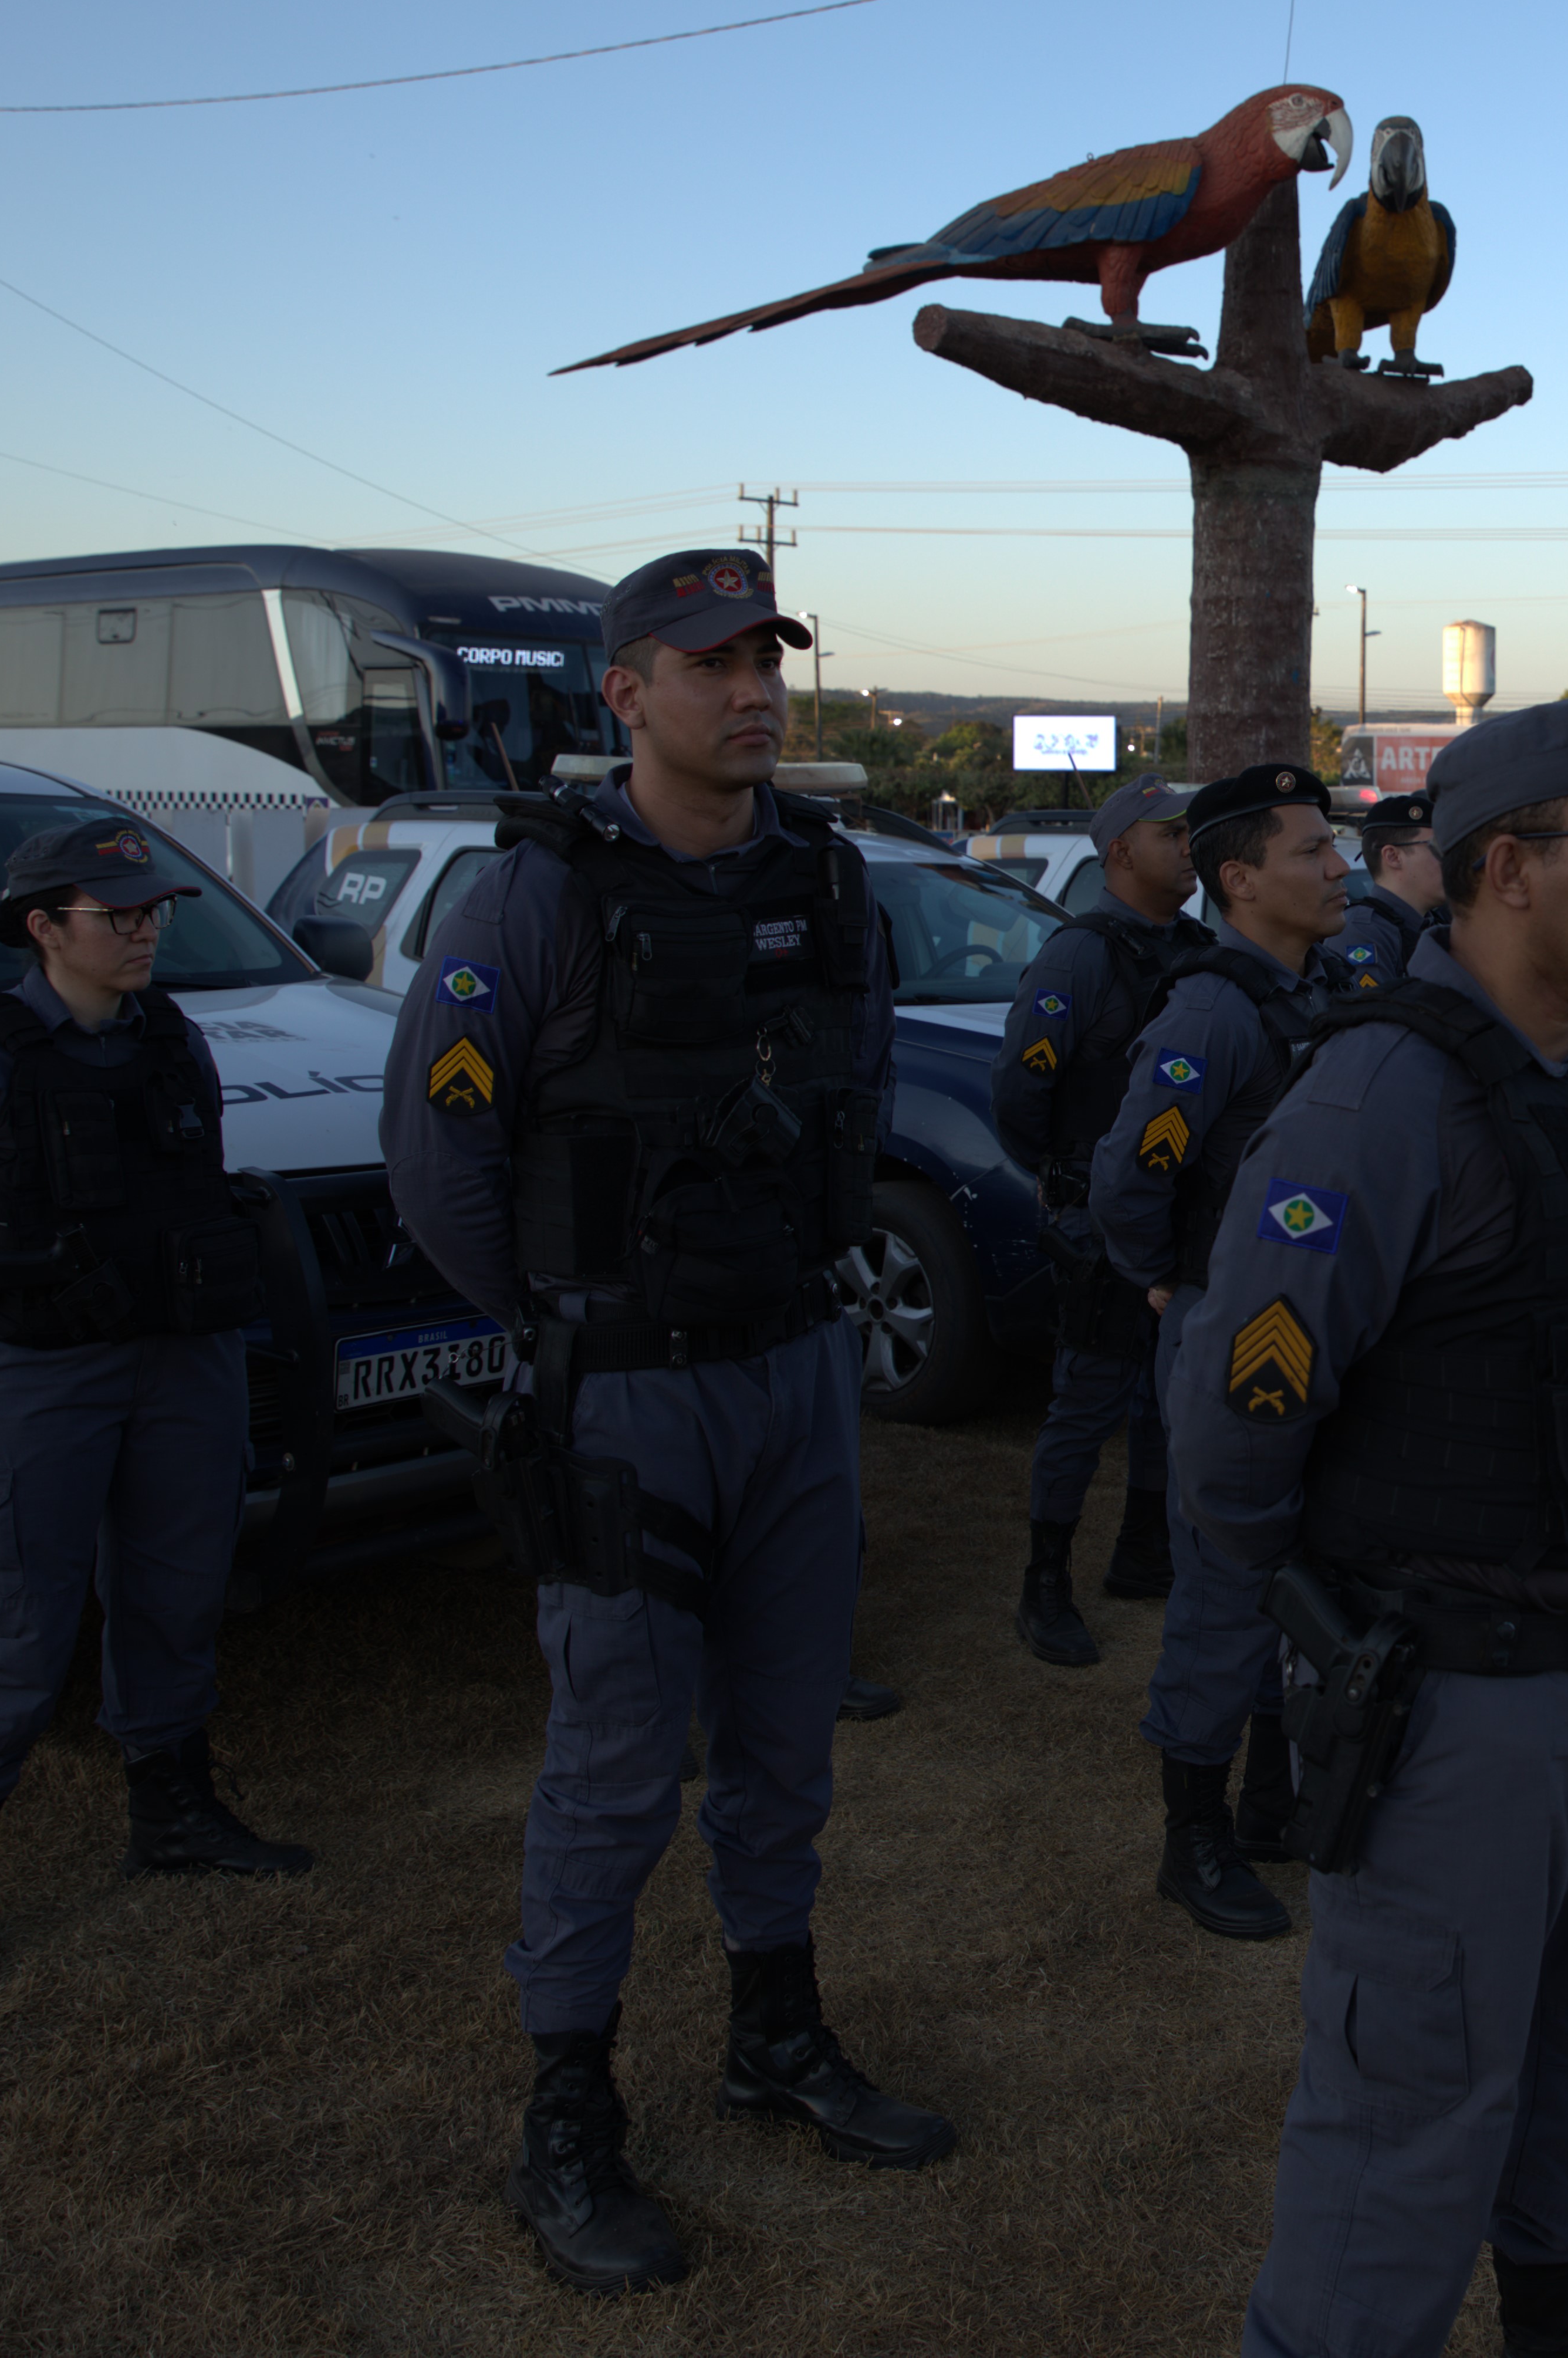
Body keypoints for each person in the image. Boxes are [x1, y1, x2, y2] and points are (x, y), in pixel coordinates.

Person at [383, 549, 951, 2296]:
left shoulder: (832, 883)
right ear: (624, 693)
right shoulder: (533, 898)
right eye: (710, 663)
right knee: (618, 1770)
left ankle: (773, 2037)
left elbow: (850, 1105)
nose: (754, 689)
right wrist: (577, 1323)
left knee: (783, 1744)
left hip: (796, 1378)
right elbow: (438, 1166)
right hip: (627, 1392)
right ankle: (569, 2113)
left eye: (767, 655)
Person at [1167, 692, 1568, 2358]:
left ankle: (1561, 2303)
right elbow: (1237, 1418)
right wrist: (1330, 1607)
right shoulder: (1381, 1098)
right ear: (1504, 868)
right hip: (1463, 1692)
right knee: (1414, 2092)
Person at [0, 819, 309, 2002]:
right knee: (13, 1627)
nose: (147, 928)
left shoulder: (173, 1039)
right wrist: (15, 1313)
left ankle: (174, 1815)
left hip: (176, 1366)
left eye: (153, 908)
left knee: (175, 1592)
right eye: (119, 914)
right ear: (46, 928)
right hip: (37, 1375)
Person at [1089, 761, 1350, 1940]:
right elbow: (1135, 1168)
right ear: (1239, 878)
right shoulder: (1213, 1009)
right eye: (1311, 851)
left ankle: (1268, 1798)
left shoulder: (1322, 988)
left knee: (1298, 1572)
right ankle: (1190, 1834)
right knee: (1221, 1584)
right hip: (1222, 1326)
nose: (1338, 867)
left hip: (1311, 1328)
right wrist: (1166, 1283)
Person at [991, 775, 1207, 1664]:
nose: (1190, 846)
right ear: (1121, 851)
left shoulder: (1195, 945)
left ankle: (1145, 1554)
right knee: (1088, 1401)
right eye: (1172, 834)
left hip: (1178, 1217)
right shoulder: (1081, 955)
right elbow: (1021, 1088)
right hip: (1099, 1220)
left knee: (1166, 1398)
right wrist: (1064, 1178)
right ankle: (1045, 1585)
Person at [1330, 789, 1441, 988]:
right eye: (1438, 847)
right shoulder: (1363, 932)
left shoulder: (1434, 923)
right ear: (1393, 857)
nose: (1450, 859)